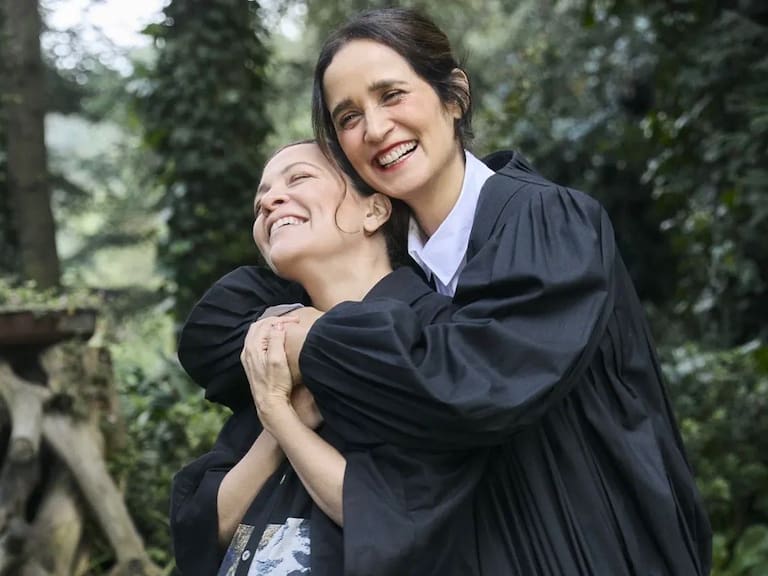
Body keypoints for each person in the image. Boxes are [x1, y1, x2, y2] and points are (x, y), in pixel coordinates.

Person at [179, 7, 712, 575]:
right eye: (348, 116)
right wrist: (308, 334)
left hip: (592, 541)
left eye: (392, 95)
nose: (376, 129)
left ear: (453, 95)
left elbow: (474, 388)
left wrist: (313, 343)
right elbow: (212, 334)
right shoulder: (383, 261)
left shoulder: (544, 220)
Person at [171, 140, 486, 575]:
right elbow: (203, 529)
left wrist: (281, 417)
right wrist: (278, 416)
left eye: (298, 178)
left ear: (374, 211)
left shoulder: (434, 339)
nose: (268, 201)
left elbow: (399, 519)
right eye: (261, 196)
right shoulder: (276, 348)